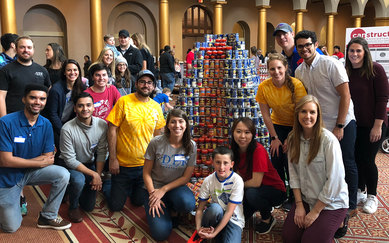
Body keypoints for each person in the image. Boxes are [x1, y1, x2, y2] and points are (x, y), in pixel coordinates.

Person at [294, 30, 357, 221]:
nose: (304, 49)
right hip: (319, 125)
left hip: (342, 121)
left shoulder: (331, 64)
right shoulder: (299, 71)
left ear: (316, 44)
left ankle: (349, 207)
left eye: (308, 45)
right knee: (326, 166)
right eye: (301, 46)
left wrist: (339, 125)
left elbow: (345, 95)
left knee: (346, 163)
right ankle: (324, 204)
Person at [0, 84, 71, 232]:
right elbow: (5, 160)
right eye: (33, 97)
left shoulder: (46, 124)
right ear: (24, 99)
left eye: (42, 99)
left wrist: (19, 161)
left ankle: (48, 216)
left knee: (63, 174)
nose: (37, 102)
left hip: (31, 172)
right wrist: (38, 161)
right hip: (7, 177)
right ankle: (14, 202)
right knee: (11, 227)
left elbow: (49, 157)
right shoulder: (6, 122)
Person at [282, 95, 349, 242]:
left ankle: (341, 219)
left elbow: (334, 181)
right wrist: (299, 205)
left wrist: (315, 212)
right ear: (297, 114)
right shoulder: (293, 138)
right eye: (303, 112)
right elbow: (293, 175)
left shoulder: (328, 140)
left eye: (312, 112)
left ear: (318, 115)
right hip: (306, 198)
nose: (308, 116)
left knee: (309, 240)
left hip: (331, 203)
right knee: (289, 237)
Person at [105, 70, 165, 211]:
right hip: (122, 166)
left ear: (154, 86)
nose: (146, 85)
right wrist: (113, 159)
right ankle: (108, 183)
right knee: (115, 206)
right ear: (136, 84)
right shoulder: (124, 101)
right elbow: (112, 129)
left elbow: (157, 136)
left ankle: (129, 188)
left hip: (144, 166)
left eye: (149, 83)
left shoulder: (156, 107)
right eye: (142, 82)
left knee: (138, 202)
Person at [255, 53, 307, 212]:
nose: (276, 72)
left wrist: (291, 137)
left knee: (290, 160)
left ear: (285, 68)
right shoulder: (264, 87)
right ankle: (280, 194)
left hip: (296, 126)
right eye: (272, 69)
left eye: (279, 68)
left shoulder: (296, 85)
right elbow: (265, 115)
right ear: (268, 70)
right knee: (276, 157)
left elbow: (301, 113)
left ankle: (294, 197)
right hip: (277, 125)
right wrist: (274, 138)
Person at [346, 37, 389, 214]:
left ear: (365, 52)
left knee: (368, 160)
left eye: (358, 51)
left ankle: (372, 196)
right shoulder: (346, 71)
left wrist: (377, 125)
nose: (354, 54)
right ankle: (360, 191)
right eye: (351, 51)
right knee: (356, 159)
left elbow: (382, 99)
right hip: (354, 125)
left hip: (374, 124)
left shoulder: (375, 69)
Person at [143, 109, 196, 241]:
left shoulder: (191, 145)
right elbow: (146, 172)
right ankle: (157, 208)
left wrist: (164, 190)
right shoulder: (156, 142)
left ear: (186, 124)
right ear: (167, 125)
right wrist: (153, 194)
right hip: (153, 188)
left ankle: (172, 210)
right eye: (173, 122)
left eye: (180, 122)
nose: (177, 125)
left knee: (188, 203)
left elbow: (186, 178)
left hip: (175, 187)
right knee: (160, 234)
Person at [231, 118, 286, 234]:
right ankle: (254, 206)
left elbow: (256, 182)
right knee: (238, 217)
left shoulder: (258, 150)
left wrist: (235, 187)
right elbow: (236, 175)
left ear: (253, 134)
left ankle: (267, 218)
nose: (242, 136)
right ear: (233, 132)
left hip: (275, 190)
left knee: (251, 193)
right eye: (238, 131)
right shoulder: (233, 149)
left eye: (247, 132)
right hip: (252, 188)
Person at [59, 92, 108, 223]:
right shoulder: (67, 129)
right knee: (79, 180)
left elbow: (102, 151)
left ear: (93, 107)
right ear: (75, 108)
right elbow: (69, 160)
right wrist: (94, 174)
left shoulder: (102, 125)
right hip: (69, 164)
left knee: (88, 207)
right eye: (80, 106)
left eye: (88, 105)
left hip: (89, 163)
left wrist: (97, 174)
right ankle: (73, 206)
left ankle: (70, 189)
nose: (85, 109)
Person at [195, 146, 244, 242]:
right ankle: (206, 233)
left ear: (232, 164)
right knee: (215, 209)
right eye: (218, 162)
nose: (221, 167)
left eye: (225, 163)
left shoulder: (237, 180)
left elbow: (229, 212)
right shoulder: (208, 180)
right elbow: (200, 209)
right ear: (213, 163)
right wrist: (198, 228)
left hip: (233, 219)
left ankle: (216, 234)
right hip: (216, 216)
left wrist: (215, 233)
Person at [0, 36, 51, 117]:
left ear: (33, 50)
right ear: (16, 49)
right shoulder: (6, 70)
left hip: (36, 119)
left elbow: (48, 89)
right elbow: (1, 97)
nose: (26, 50)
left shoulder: (42, 70)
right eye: (22, 47)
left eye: (29, 47)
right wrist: (4, 120)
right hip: (13, 119)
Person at [43, 59, 86, 151]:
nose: (72, 73)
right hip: (54, 125)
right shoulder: (56, 89)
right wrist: (63, 130)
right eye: (69, 70)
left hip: (69, 123)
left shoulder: (81, 87)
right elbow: (52, 114)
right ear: (64, 73)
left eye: (75, 70)